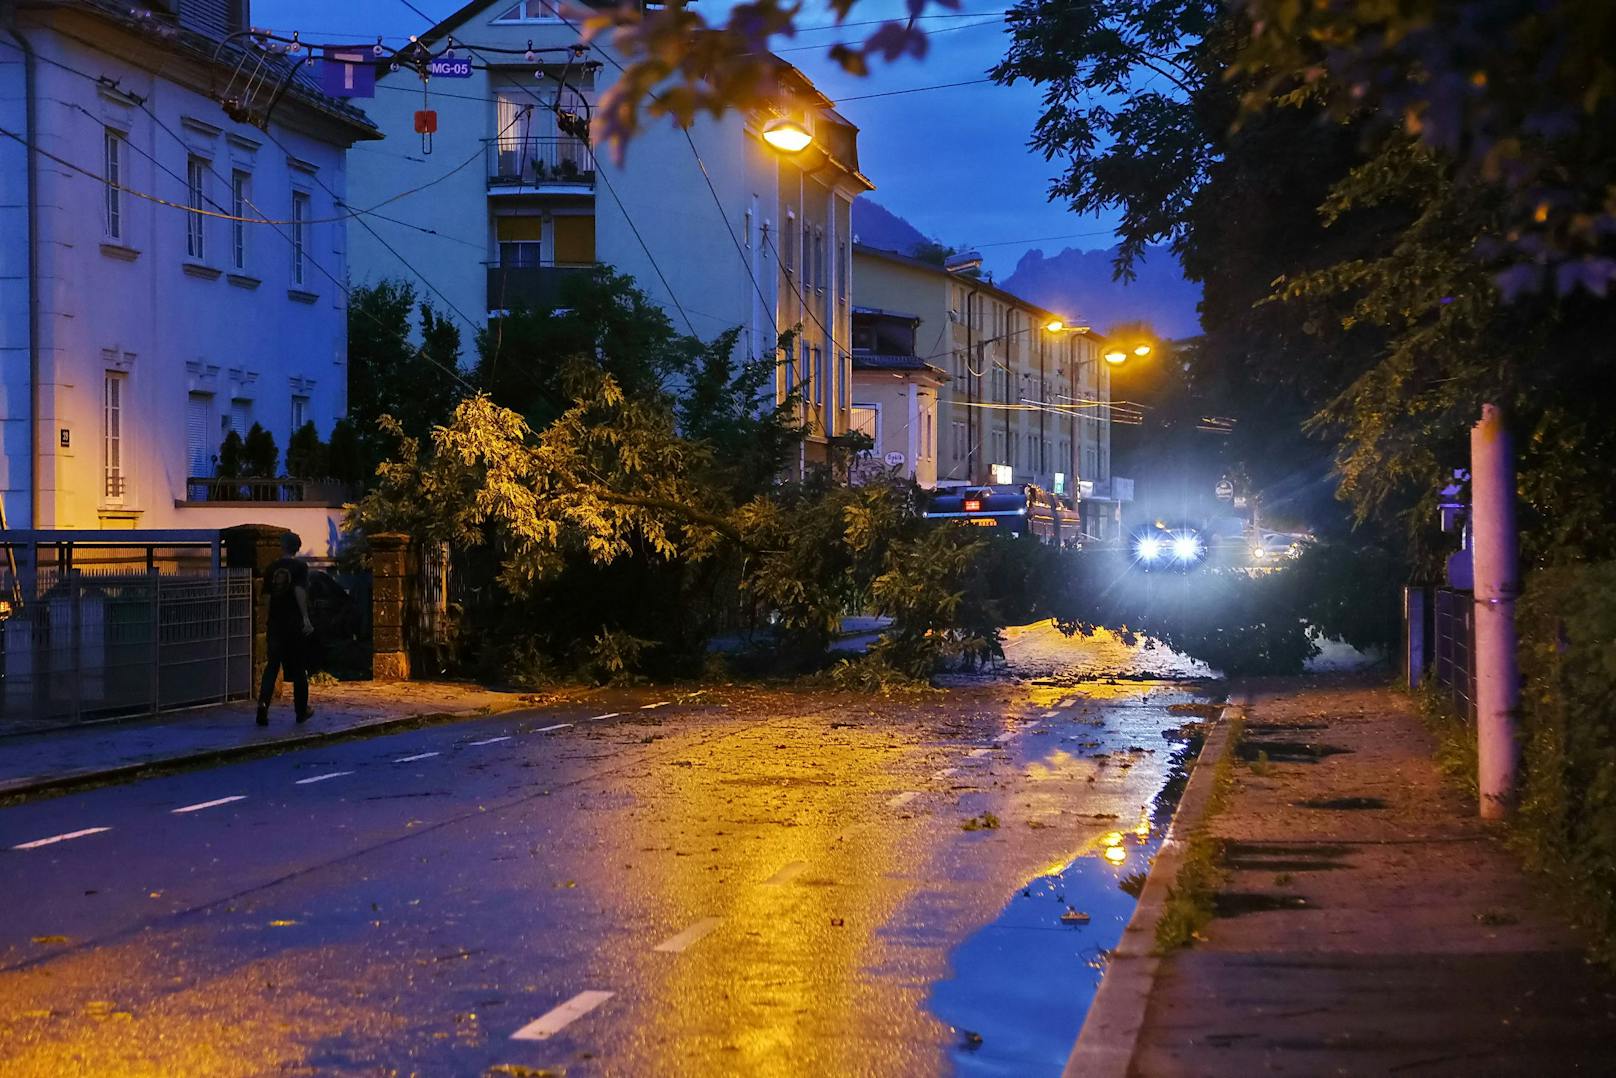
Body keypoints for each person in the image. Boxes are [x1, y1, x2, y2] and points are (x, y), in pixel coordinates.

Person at [257, 531, 315, 725]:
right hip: (293, 624)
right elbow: (299, 590)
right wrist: (305, 618)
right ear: (297, 548)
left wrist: (268, 618)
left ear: (282, 546)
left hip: (276, 624)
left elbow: (266, 597)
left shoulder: (271, 568)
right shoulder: (299, 567)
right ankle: (301, 711)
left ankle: (263, 704)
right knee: (299, 668)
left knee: (272, 666)